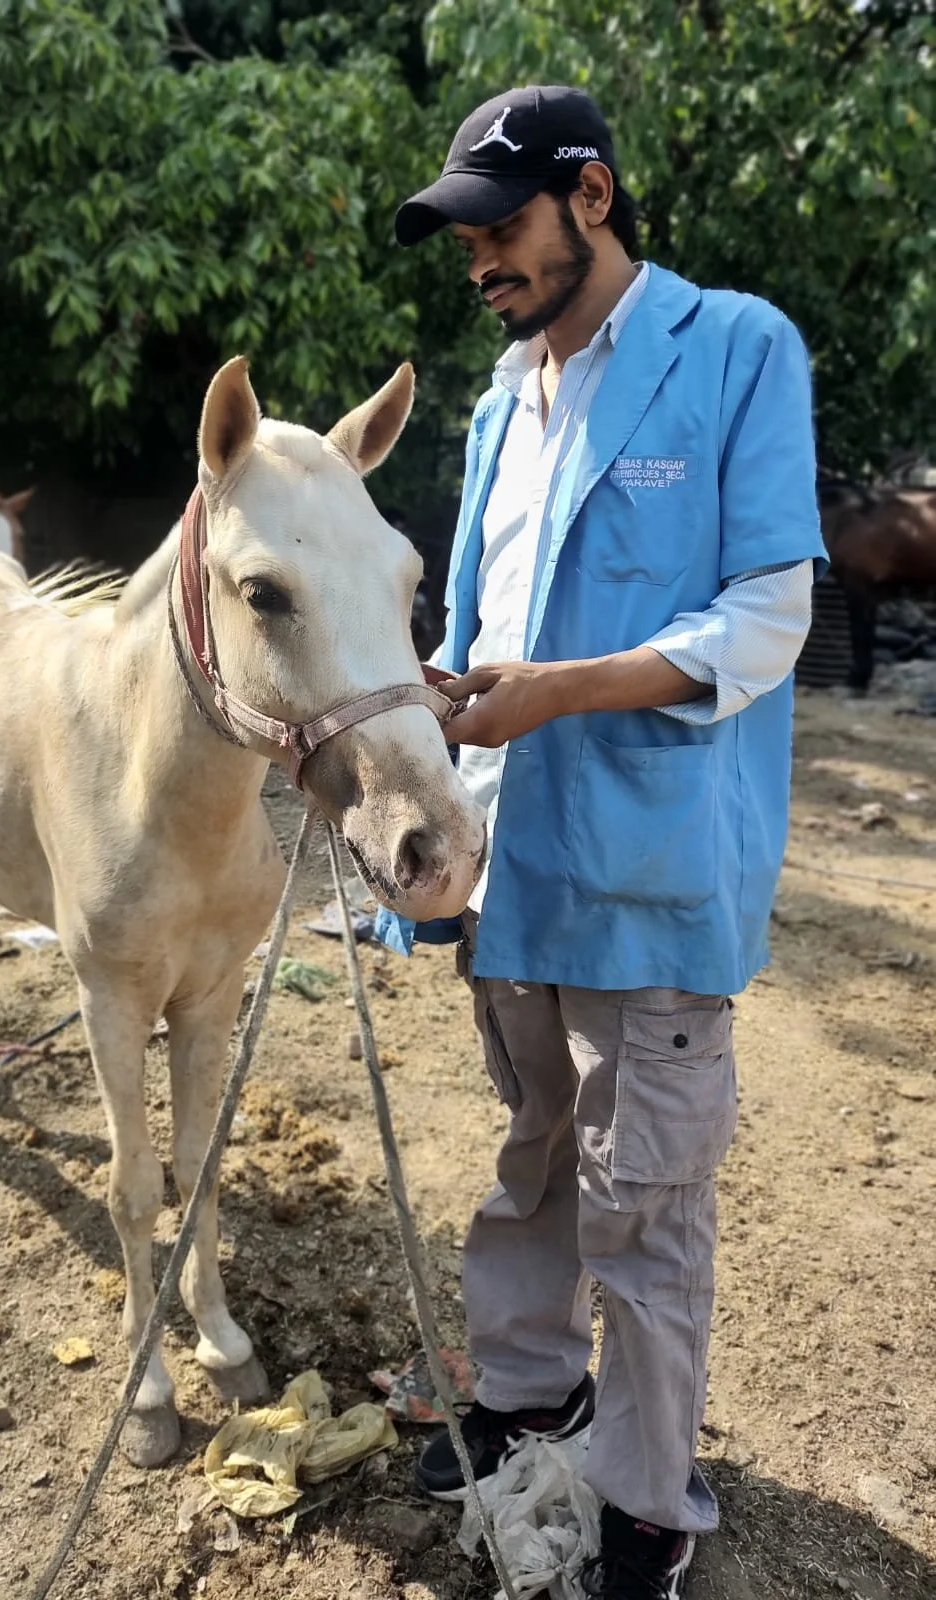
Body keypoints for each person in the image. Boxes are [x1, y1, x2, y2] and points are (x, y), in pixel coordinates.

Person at [377, 86, 825, 1598]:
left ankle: (645, 1491)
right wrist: (424, 771)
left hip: (650, 858)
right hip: (515, 856)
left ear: (593, 194)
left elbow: (768, 619)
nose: (481, 260)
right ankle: (519, 1395)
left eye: (502, 227)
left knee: (646, 1203)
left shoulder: (738, 350)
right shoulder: (504, 398)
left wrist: (563, 691)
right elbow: (472, 625)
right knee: (530, 1157)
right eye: (466, 239)